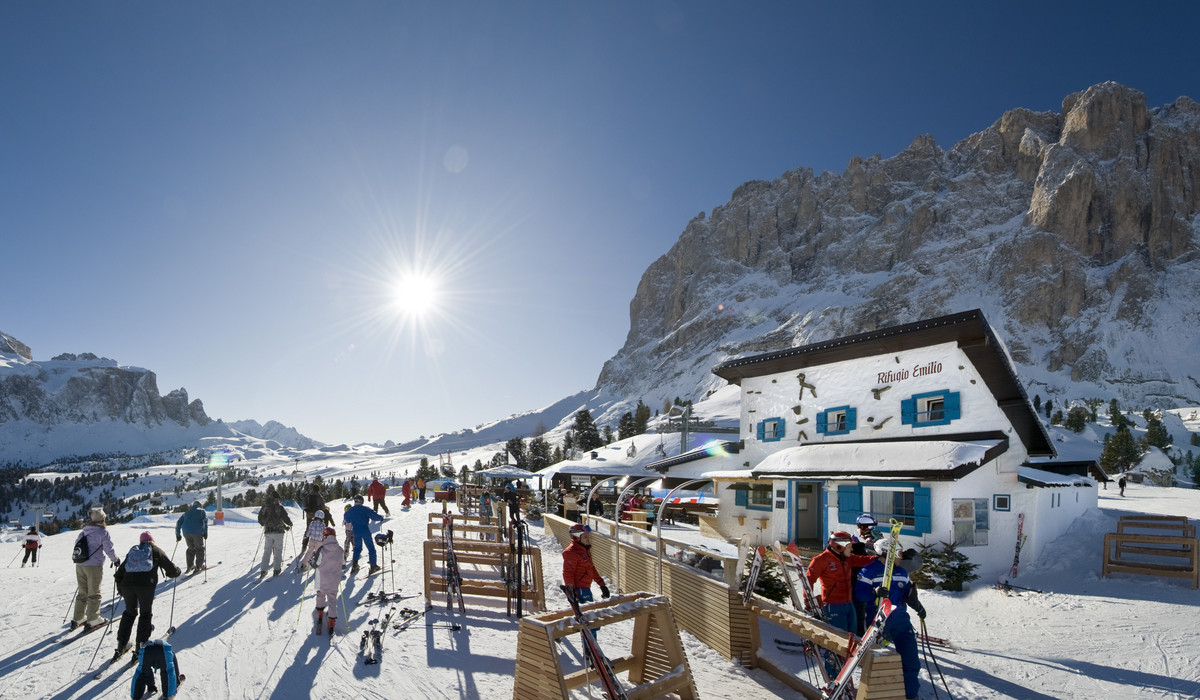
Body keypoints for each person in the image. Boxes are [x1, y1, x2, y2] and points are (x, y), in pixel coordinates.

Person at [855, 538, 926, 700]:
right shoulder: (869, 571)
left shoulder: (902, 572)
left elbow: (907, 593)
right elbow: (859, 594)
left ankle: (911, 695)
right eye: (898, 554)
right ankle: (878, 695)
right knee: (878, 662)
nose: (901, 558)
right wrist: (874, 592)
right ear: (888, 554)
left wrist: (918, 606)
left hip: (900, 619)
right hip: (879, 620)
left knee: (911, 660)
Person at [113, 531, 182, 664]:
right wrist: (177, 571)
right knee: (145, 613)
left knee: (129, 612)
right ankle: (140, 647)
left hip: (127, 586)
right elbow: (171, 570)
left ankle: (121, 645)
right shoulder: (155, 550)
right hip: (145, 586)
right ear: (152, 540)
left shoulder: (134, 551)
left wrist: (121, 589)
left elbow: (119, 574)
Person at [804, 531, 877, 634]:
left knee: (853, 636)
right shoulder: (820, 560)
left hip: (849, 604)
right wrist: (808, 599)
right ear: (840, 547)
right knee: (840, 637)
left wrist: (880, 558)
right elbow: (808, 580)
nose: (852, 549)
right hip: (833, 606)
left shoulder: (847, 558)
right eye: (849, 547)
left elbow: (864, 560)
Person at [71, 507, 122, 631]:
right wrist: (115, 560)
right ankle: (93, 619)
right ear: (102, 519)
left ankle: (78, 618)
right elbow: (109, 549)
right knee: (94, 593)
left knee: (82, 592)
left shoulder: (83, 532)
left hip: (80, 565)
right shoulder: (102, 532)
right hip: (93, 566)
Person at [562, 523, 610, 607]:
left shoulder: (585, 550)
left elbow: (591, 568)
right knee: (589, 613)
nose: (588, 539)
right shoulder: (571, 552)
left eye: (588, 536)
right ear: (576, 538)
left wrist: (602, 585)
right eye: (585, 537)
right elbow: (568, 573)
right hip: (579, 589)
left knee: (590, 612)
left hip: (585, 587)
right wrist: (571, 591)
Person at [308, 527, 345, 635]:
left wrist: (311, 562)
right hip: (334, 580)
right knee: (332, 599)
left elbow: (316, 564)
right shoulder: (340, 550)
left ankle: (320, 613)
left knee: (320, 595)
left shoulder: (322, 549)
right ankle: (332, 621)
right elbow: (343, 565)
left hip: (321, 579)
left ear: (325, 537)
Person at [851, 514, 882, 635]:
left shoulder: (873, 540)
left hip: (868, 580)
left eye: (859, 526)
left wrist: (860, 545)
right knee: (861, 609)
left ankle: (863, 634)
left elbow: (872, 556)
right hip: (864, 579)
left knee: (863, 609)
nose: (858, 529)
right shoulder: (863, 540)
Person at [343, 495, 385, 575]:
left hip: (355, 530)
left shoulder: (351, 510)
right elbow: (374, 516)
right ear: (361, 501)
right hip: (365, 530)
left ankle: (355, 565)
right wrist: (381, 518)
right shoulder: (365, 509)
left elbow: (346, 518)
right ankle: (373, 566)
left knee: (357, 548)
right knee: (371, 548)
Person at [257, 494, 293, 579]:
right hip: (278, 532)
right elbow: (284, 517)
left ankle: (263, 570)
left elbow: (260, 517)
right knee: (278, 550)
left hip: (268, 531)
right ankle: (276, 569)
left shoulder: (265, 506)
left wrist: (263, 523)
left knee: (267, 551)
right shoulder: (279, 507)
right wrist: (289, 523)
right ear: (277, 498)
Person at [174, 501, 208, 574]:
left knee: (191, 549)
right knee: (200, 549)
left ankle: (190, 566)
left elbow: (178, 523)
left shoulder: (186, 513)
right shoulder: (202, 511)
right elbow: (205, 522)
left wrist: (178, 535)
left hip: (186, 532)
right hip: (197, 532)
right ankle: (199, 566)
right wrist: (205, 532)